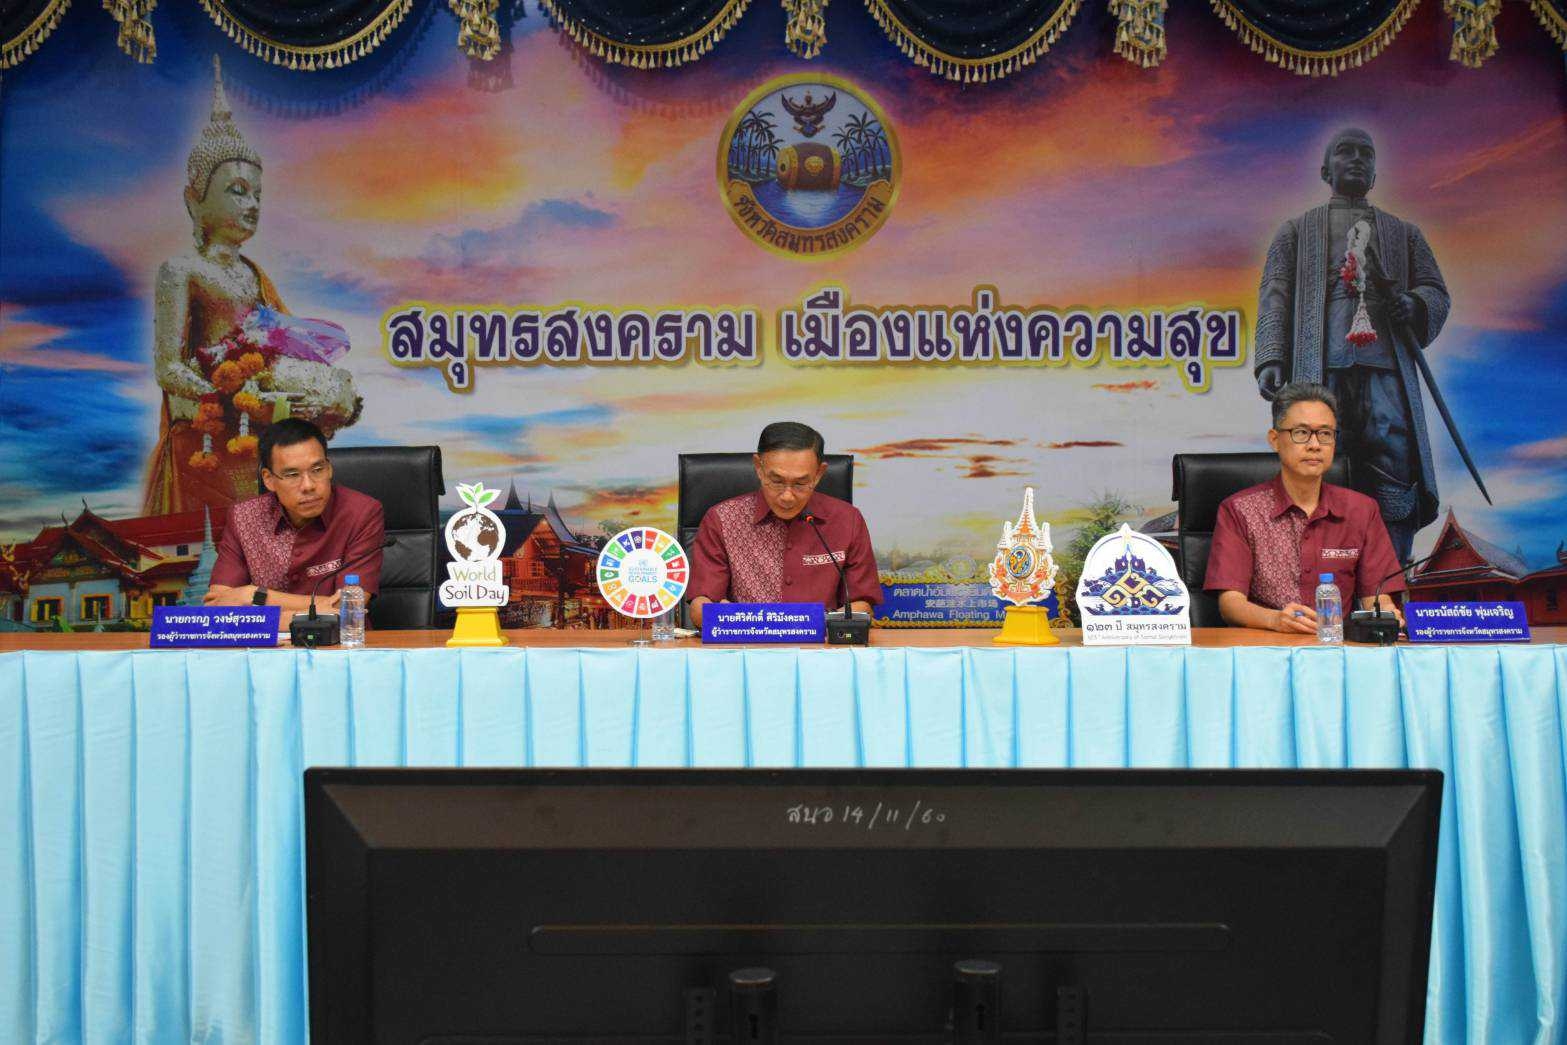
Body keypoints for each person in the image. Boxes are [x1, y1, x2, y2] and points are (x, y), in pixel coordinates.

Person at [143, 56, 360, 517]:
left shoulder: (252, 274)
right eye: (238, 190)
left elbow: (278, 342)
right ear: (194, 200)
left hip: (255, 430)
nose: (253, 204)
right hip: (209, 429)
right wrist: (231, 393)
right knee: (214, 543)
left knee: (270, 535)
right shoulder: (182, 270)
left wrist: (295, 390)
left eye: (258, 194)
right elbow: (168, 367)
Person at [1254, 127, 1450, 562]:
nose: (1358, 159)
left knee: (1393, 455)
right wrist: (1272, 355)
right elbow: (1275, 293)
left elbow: (1435, 291)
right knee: (1322, 454)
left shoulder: (1404, 233)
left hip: (1386, 367)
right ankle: (1324, 565)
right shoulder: (1296, 231)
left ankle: (1390, 567)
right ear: (1326, 170)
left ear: (1375, 173)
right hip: (1320, 366)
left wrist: (1415, 303)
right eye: (1346, 151)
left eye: (1366, 153)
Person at [1205, 383, 1405, 635]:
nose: (1314, 444)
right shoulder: (1240, 510)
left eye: (1325, 434)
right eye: (1301, 432)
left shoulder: (1361, 510)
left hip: (1336, 648)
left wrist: (1385, 613)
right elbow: (1231, 604)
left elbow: (1377, 596)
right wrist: (1275, 620)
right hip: (1267, 646)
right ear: (1275, 440)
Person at [687, 422, 882, 627]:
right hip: (746, 643)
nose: (787, 497)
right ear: (759, 468)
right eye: (777, 481)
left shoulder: (847, 520)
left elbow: (863, 605)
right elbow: (700, 609)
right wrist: (736, 618)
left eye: (800, 483)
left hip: (822, 644)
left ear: (818, 474)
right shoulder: (722, 519)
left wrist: (811, 626)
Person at [204, 419, 384, 612]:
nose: (308, 485)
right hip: (272, 634)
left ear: (329, 468)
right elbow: (217, 605)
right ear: (269, 479)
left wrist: (255, 596)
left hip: (338, 633)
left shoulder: (361, 513)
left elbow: (350, 607)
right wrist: (316, 609)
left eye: (317, 470)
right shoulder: (243, 517)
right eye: (292, 475)